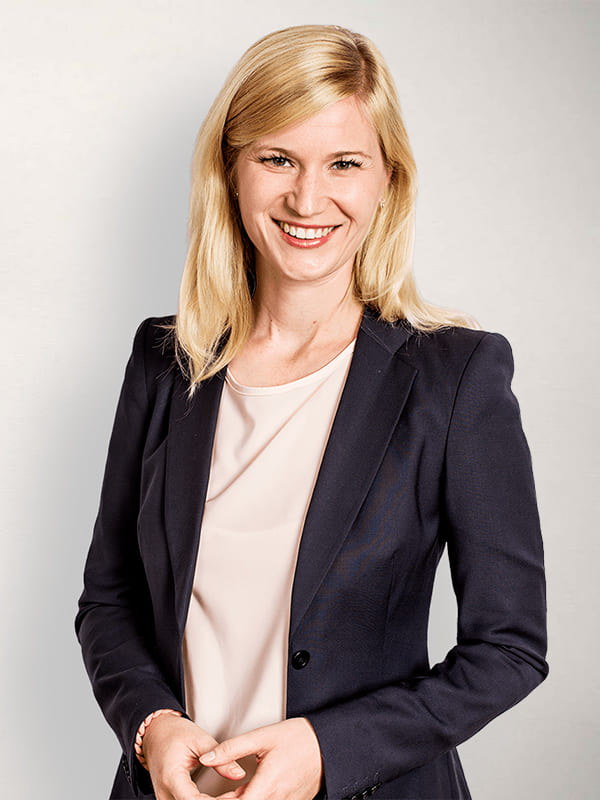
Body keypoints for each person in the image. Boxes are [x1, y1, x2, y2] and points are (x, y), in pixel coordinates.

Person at [76, 24, 548, 800]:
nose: (306, 198)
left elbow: (510, 648)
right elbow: (109, 597)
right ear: (231, 171)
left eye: (344, 164)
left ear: (387, 179)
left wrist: (329, 749)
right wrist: (151, 724)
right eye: (277, 159)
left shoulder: (455, 378)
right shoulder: (165, 360)